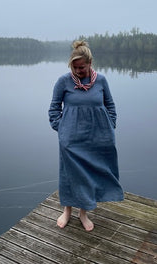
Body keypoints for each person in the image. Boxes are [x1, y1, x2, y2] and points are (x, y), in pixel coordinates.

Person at [48, 40, 123, 231]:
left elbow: (110, 106)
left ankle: (83, 213)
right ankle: (67, 211)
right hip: (71, 140)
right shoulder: (63, 82)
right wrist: (62, 129)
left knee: (89, 173)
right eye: (75, 67)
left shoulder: (101, 81)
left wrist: (110, 125)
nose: (78, 71)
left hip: (97, 138)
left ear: (90, 63)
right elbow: (54, 109)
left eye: (82, 67)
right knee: (69, 174)